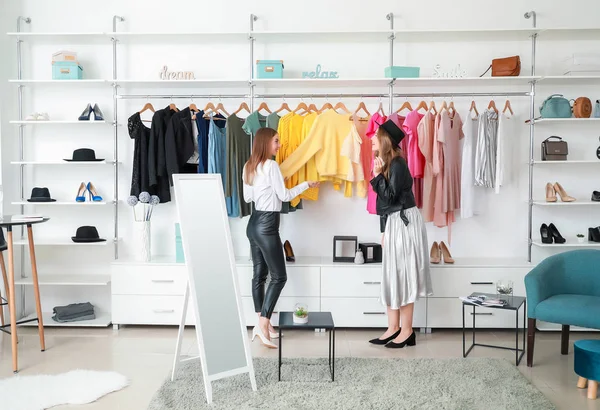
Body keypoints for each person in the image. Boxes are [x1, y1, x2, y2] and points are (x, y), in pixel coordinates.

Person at [242, 127, 319, 349]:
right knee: (279, 277)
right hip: (267, 226)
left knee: (259, 275)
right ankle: (264, 323)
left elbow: (248, 197)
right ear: (266, 143)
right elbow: (284, 196)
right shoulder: (272, 165)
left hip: (253, 224)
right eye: (276, 141)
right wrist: (306, 184)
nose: (279, 145)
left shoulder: (248, 166)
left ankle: (263, 323)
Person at [368, 120, 433, 348]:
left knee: (403, 276)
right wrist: (384, 231)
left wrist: (376, 177)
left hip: (405, 223)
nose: (371, 139)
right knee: (393, 274)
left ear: (385, 140)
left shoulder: (397, 165)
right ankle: (393, 328)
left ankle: (407, 331)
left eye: (375, 136)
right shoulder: (388, 164)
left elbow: (391, 198)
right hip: (396, 223)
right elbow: (384, 206)